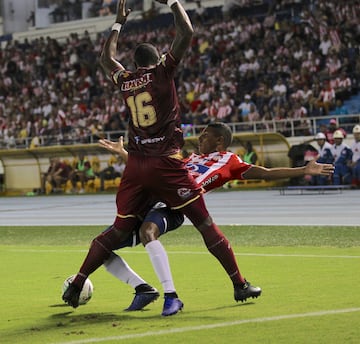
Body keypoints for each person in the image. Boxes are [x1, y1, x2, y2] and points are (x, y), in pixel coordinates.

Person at [63, 0, 256, 317]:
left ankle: (78, 281)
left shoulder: (126, 80)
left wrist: (118, 23)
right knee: (204, 222)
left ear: (136, 63)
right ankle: (239, 283)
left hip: (136, 167)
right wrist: (172, 2)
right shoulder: (164, 72)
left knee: (116, 231)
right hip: (166, 163)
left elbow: (105, 59)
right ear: (157, 58)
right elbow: (187, 31)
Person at [97, 122, 334, 313]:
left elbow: (265, 173)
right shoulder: (189, 159)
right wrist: (124, 154)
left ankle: (229, 285)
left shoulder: (229, 161)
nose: (200, 139)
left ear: (219, 141)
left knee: (151, 232)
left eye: (205, 135)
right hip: (152, 202)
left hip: (177, 206)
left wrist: (303, 170)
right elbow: (153, 172)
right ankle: (145, 289)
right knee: (105, 246)